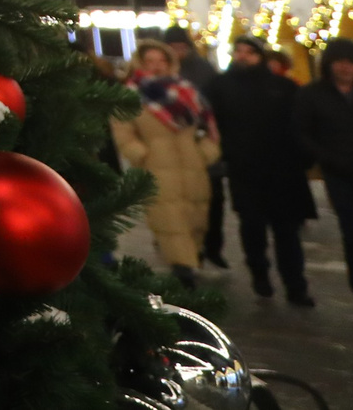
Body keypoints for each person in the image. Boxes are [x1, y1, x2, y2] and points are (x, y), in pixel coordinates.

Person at [209, 35, 317, 305]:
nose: (243, 56)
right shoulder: (220, 87)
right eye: (239, 51)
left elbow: (301, 127)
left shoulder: (285, 87)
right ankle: (261, 276)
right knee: (252, 230)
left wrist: (304, 159)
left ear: (262, 56)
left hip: (284, 173)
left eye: (250, 52)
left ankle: (296, 286)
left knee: (287, 234)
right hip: (245, 172)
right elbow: (213, 126)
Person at [112, 42, 222, 286]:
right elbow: (123, 132)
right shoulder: (130, 95)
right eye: (150, 61)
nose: (156, 66)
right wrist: (142, 154)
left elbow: (209, 128)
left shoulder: (188, 92)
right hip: (158, 169)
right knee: (170, 224)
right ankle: (183, 273)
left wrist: (206, 153)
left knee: (196, 220)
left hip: (193, 169)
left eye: (161, 60)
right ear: (140, 63)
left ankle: (191, 263)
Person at [297, 36, 353, 324]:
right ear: (329, 65)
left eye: (351, 62)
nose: (346, 68)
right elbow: (302, 132)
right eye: (340, 62)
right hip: (341, 176)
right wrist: (325, 157)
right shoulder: (313, 95)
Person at [162, 27, 230, 268]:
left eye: (181, 46)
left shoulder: (203, 70)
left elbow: (216, 107)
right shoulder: (160, 73)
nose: (177, 51)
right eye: (172, 47)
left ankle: (213, 246)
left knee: (213, 200)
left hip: (202, 145)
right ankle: (189, 255)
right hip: (171, 151)